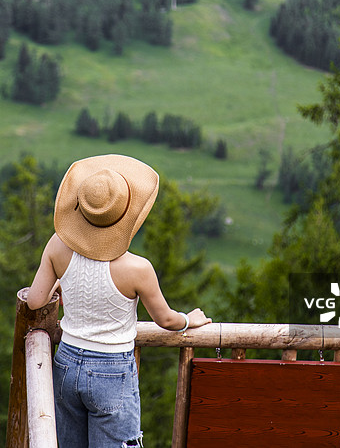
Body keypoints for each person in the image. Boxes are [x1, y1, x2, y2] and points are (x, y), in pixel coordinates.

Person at [27, 154, 212, 448]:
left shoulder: (57, 245)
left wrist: (64, 282)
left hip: (66, 364)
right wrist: (190, 320)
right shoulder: (138, 269)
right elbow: (165, 320)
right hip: (112, 371)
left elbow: (35, 301)